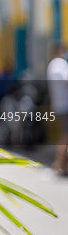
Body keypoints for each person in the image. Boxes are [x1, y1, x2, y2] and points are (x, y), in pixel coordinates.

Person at [47, 44, 68, 175]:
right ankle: (59, 163)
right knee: (65, 136)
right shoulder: (59, 64)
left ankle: (62, 164)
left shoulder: (52, 65)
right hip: (64, 105)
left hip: (59, 105)